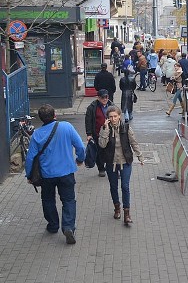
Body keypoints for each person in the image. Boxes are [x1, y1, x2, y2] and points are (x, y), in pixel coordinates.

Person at [26, 104, 85, 244]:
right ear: (55, 115)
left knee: (48, 200)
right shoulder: (66, 127)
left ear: (41, 119)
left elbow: (30, 158)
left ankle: (53, 225)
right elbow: (80, 146)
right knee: (69, 200)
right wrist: (80, 159)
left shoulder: (37, 134)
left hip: (47, 175)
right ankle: (68, 226)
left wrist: (29, 175)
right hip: (66, 172)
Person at [98, 106, 144, 226]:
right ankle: (117, 208)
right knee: (113, 187)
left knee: (125, 186)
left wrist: (140, 156)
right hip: (111, 162)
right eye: (110, 117)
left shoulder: (126, 127)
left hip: (125, 161)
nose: (113, 119)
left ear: (119, 116)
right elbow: (102, 145)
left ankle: (127, 213)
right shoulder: (104, 128)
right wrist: (105, 129)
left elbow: (134, 142)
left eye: (115, 116)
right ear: (107, 118)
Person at [84, 89, 113, 177]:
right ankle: (101, 168)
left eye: (106, 97)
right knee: (99, 152)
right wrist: (89, 134)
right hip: (97, 134)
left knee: (111, 152)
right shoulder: (92, 107)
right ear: (98, 98)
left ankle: (111, 169)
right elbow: (88, 121)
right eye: (102, 97)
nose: (105, 99)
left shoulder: (111, 106)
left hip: (110, 133)